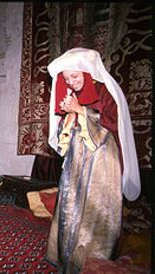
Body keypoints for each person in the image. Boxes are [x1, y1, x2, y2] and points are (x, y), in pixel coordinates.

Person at [46, 48, 141, 273]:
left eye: (75, 77)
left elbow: (113, 122)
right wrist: (68, 118)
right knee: (71, 204)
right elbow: (67, 128)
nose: (71, 82)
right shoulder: (72, 93)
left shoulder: (106, 91)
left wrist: (80, 110)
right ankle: (66, 258)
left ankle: (92, 262)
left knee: (95, 209)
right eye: (67, 78)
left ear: (87, 73)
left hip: (102, 160)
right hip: (76, 160)